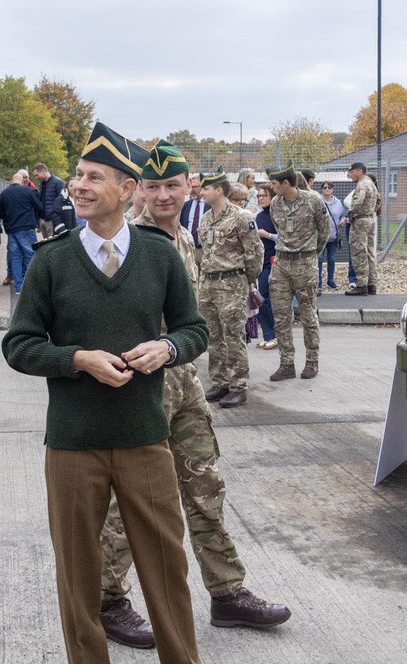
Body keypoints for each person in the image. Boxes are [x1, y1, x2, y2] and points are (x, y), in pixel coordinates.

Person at [3, 122, 208, 664]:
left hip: (145, 437)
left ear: (126, 188)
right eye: (77, 175)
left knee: (167, 570)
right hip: (73, 445)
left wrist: (167, 349)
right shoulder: (51, 260)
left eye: (94, 176)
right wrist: (75, 359)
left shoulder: (160, 255)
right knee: (78, 578)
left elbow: (194, 329)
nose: (79, 185)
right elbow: (19, 345)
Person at [97, 141, 290, 650]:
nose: (164, 195)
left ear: (191, 188)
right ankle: (106, 598)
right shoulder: (124, 243)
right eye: (154, 186)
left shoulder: (185, 236)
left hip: (184, 386)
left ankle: (227, 592)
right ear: (138, 189)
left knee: (206, 486)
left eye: (173, 185)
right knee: (126, 501)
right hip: (139, 392)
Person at [198, 169, 263, 409]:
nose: (202, 192)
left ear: (219, 190)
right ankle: (220, 381)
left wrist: (246, 281)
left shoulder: (241, 217)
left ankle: (238, 386)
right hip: (208, 284)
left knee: (233, 336)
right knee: (213, 336)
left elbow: (255, 254)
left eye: (206, 188)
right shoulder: (206, 218)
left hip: (232, 283)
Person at [264, 163, 329, 381]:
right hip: (281, 264)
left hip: (305, 264)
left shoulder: (313, 201)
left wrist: (310, 255)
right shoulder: (275, 204)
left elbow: (324, 232)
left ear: (286, 182)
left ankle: (312, 361)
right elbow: (279, 229)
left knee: (308, 315)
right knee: (281, 316)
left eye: (274, 184)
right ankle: (286, 363)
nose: (272, 188)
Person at [0, 170, 42, 295]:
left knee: (15, 257)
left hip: (11, 230)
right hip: (27, 228)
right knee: (31, 255)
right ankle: (32, 284)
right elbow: (39, 207)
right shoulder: (28, 191)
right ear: (22, 181)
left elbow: (0, 214)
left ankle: (18, 287)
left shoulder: (3, 194)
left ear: (11, 180)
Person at [344, 163, 378, 296]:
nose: (351, 175)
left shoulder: (362, 184)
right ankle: (372, 284)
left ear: (359, 171)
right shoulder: (371, 183)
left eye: (352, 172)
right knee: (370, 252)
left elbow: (357, 202)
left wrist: (351, 214)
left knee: (359, 252)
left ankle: (361, 284)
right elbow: (379, 200)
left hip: (361, 220)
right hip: (370, 218)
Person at [253, 184, 277, 349]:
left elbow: (287, 237)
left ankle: (273, 335)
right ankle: (269, 335)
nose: (261, 198)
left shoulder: (277, 215)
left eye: (264, 195)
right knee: (260, 298)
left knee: (262, 297)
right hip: (261, 263)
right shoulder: (258, 216)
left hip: (275, 262)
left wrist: (267, 235)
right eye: (259, 196)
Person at [317, 181, 346, 290]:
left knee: (332, 259)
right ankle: (318, 281)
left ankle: (330, 280)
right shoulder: (318, 201)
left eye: (329, 187)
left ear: (332, 189)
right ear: (321, 190)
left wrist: (343, 220)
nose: (327, 189)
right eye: (325, 187)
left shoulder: (338, 202)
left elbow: (344, 215)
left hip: (333, 237)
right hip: (321, 237)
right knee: (319, 259)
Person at [33, 161, 65, 239]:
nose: (36, 178)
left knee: (52, 244)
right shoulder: (42, 184)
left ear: (43, 171)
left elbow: (62, 201)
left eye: (37, 175)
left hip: (52, 221)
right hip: (43, 220)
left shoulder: (58, 182)